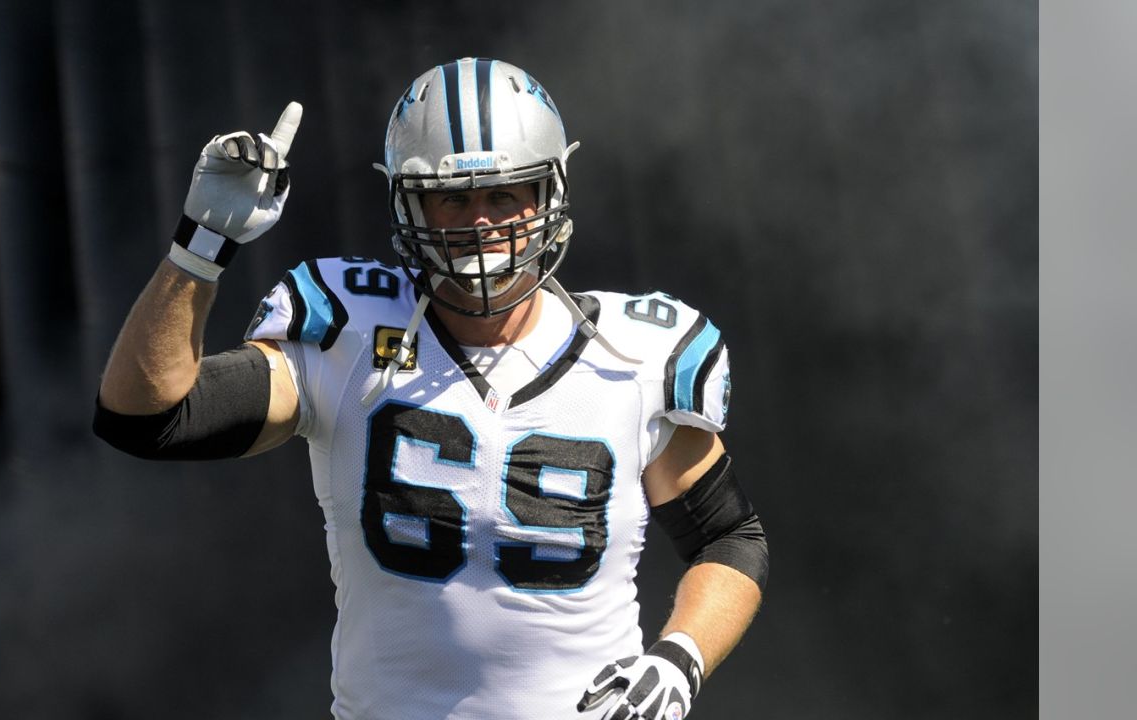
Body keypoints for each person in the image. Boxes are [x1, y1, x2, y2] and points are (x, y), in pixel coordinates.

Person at [95, 57, 767, 720]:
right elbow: (151, 415)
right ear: (409, 202)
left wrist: (680, 656)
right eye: (453, 197)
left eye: (504, 194)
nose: (480, 222)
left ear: (548, 195)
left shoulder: (635, 354)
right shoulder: (349, 332)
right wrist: (200, 246)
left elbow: (730, 537)